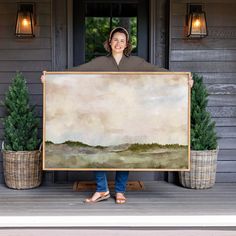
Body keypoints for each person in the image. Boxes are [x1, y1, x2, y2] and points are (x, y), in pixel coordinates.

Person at [41, 27, 193, 204]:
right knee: (97, 150)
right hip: (103, 116)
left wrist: (183, 81)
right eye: (115, 39)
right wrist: (50, 78)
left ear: (127, 44)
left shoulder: (136, 63)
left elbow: (159, 72)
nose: (118, 43)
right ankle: (102, 189)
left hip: (128, 115)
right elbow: (76, 72)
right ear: (109, 42)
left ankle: (120, 191)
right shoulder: (99, 62)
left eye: (122, 40)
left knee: (125, 155)